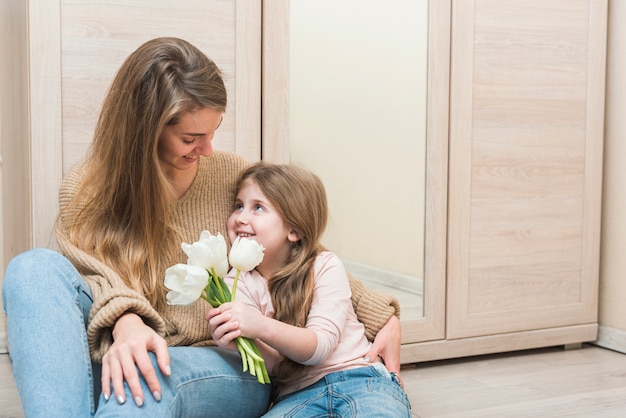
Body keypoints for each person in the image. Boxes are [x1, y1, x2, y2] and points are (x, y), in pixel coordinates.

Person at [1, 37, 401, 417]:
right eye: (192, 137)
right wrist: (127, 323)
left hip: (218, 362)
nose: (208, 149)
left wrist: (384, 316)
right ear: (145, 131)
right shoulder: (86, 188)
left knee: (147, 371)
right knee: (31, 268)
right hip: (120, 345)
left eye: (213, 131)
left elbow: (296, 251)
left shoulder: (229, 174)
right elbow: (96, 274)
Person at [208, 162, 411, 417]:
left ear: (294, 230)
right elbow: (275, 366)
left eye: (257, 207)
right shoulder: (236, 283)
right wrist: (237, 344)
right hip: (295, 395)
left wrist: (259, 325)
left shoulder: (325, 265)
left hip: (361, 378)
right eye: (239, 205)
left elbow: (321, 347)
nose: (241, 217)